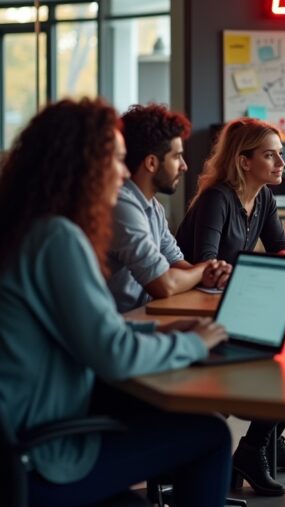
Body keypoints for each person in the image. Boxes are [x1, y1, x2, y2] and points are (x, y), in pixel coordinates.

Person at [0, 98, 231, 507]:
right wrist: (194, 343)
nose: (124, 173)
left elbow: (90, 330)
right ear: (83, 166)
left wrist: (156, 331)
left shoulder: (24, 228)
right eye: (116, 160)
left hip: (26, 432)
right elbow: (113, 354)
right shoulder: (56, 238)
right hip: (41, 454)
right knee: (211, 434)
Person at [177, 117, 285, 496]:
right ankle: (255, 449)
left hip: (235, 301)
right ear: (243, 161)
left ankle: (261, 445)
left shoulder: (264, 197)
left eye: (281, 155)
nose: (281, 164)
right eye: (270, 156)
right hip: (194, 308)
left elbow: (280, 247)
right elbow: (207, 263)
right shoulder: (217, 198)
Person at [107, 103, 231, 313]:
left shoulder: (153, 206)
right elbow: (164, 284)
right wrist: (201, 271)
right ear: (152, 163)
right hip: (119, 327)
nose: (184, 166)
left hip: (143, 316)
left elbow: (175, 262)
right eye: (176, 156)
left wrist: (210, 273)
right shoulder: (121, 205)